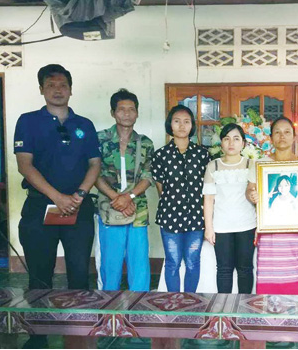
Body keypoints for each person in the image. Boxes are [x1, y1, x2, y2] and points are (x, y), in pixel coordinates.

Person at [14, 64, 101, 347]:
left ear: (71, 89)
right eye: (51, 85)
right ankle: (38, 336)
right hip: (40, 208)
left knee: (79, 272)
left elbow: (94, 164)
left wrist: (78, 195)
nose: (57, 89)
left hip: (79, 208)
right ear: (41, 89)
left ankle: (77, 333)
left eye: (63, 84)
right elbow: (25, 166)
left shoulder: (84, 125)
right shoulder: (27, 121)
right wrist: (57, 197)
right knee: (40, 275)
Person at [246, 116, 298, 295]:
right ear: (271, 138)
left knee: (293, 277)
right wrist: (253, 195)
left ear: (294, 137)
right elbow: (249, 191)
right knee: (267, 276)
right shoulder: (259, 164)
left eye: (287, 132)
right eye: (277, 132)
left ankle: (294, 320)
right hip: (268, 232)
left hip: (295, 233)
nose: (282, 136)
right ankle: (265, 319)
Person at [95, 89, 154, 292]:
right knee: (110, 264)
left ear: (137, 113)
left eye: (131, 109)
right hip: (109, 209)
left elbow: (148, 176)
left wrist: (128, 197)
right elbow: (93, 174)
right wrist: (116, 199)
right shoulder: (100, 139)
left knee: (139, 264)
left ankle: (139, 311)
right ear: (113, 112)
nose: (127, 114)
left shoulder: (145, 143)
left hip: (137, 209)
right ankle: (108, 311)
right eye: (121, 109)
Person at [152, 105, 210, 292]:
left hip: (195, 217)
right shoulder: (161, 155)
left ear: (192, 125)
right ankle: (174, 302)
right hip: (170, 217)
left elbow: (207, 188)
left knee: (193, 261)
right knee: (172, 261)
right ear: (170, 124)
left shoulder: (202, 155)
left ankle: (190, 301)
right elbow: (160, 188)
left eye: (187, 121)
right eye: (177, 121)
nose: (182, 126)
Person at [203, 123, 257, 294]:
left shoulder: (252, 165)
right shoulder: (213, 166)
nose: (231, 143)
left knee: (245, 269)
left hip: (247, 225)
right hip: (221, 226)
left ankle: (244, 311)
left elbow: (260, 198)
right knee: (224, 270)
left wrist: (260, 226)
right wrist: (209, 228)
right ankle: (224, 311)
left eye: (236, 139)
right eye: (226, 139)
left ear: (243, 144)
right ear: (221, 143)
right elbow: (208, 199)